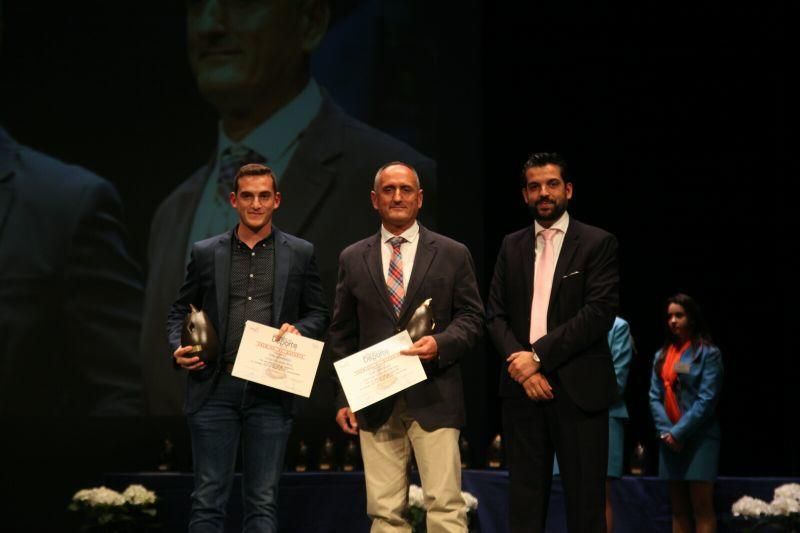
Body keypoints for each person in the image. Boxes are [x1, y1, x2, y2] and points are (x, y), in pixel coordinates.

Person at [142, 0, 436, 415]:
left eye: (239, 5)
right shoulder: (172, 213)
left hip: (319, 469)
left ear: (310, 23)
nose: (209, 24)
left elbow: (415, 348)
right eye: (196, 6)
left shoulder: (386, 182)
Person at [166, 163, 328, 532]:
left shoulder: (299, 252)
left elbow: (318, 312)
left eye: (264, 196)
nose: (256, 204)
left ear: (277, 201)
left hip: (271, 388)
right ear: (234, 200)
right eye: (248, 196)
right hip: (214, 387)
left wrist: (301, 330)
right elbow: (179, 309)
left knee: (262, 501)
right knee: (208, 499)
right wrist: (178, 345)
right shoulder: (207, 252)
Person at [329, 162, 483, 532]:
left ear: (419, 198)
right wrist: (344, 396)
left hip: (435, 394)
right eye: (388, 189)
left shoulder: (451, 252)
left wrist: (442, 343)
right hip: (375, 400)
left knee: (445, 505)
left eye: (406, 190)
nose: (397, 197)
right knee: (384, 512)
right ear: (374, 199)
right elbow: (342, 333)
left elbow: (473, 318)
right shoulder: (353, 257)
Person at [486, 152, 619, 532]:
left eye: (552, 184)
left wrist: (537, 357)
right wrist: (524, 369)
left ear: (569, 190)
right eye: (534, 186)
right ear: (525, 195)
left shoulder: (598, 242)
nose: (543, 193)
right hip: (521, 391)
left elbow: (598, 313)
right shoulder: (510, 245)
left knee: (585, 507)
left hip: (578, 391)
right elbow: (494, 315)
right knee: (524, 506)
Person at [649, 293, 722, 533]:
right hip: (669, 441)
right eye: (669, 316)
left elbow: (707, 399)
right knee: (678, 510)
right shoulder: (662, 355)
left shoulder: (708, 354)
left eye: (678, 315)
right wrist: (666, 433)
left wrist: (679, 433)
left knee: (702, 508)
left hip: (698, 438)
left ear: (691, 317)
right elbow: (654, 396)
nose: (673, 321)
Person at [554, 316, 634, 532]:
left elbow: (617, 379)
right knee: (573, 492)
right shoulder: (566, 323)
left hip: (605, 413)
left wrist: (577, 396)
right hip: (568, 415)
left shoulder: (617, 326)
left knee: (598, 493)